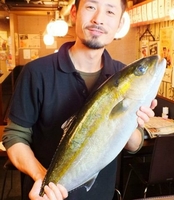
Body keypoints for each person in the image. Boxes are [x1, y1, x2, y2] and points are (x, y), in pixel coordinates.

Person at [2, 0, 157, 199]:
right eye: (91, 7)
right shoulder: (37, 72)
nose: (98, 19)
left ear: (119, 24)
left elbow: (134, 145)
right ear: (74, 13)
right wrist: (43, 179)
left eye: (110, 11)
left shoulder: (121, 73)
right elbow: (14, 136)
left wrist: (130, 119)